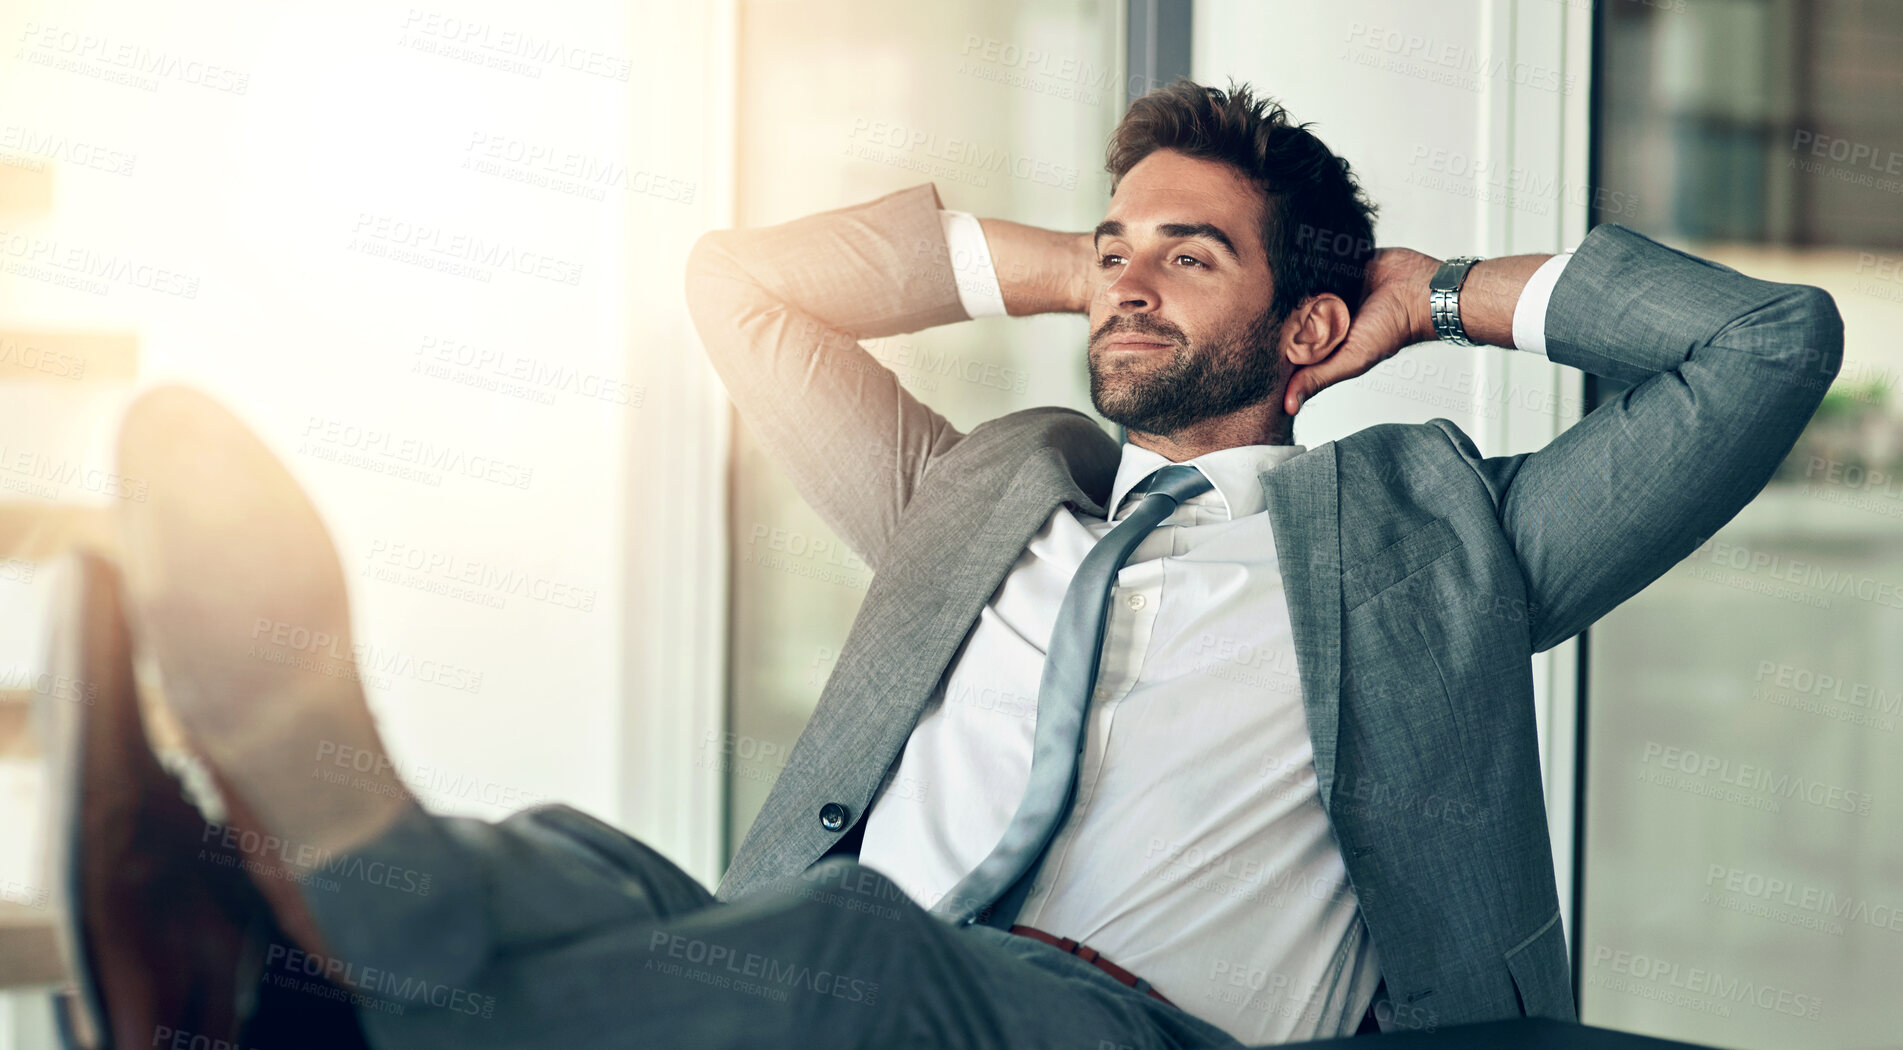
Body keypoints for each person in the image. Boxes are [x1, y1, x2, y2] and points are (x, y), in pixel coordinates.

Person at [60, 79, 1840, 1050]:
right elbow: (738, 287)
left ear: (1307, 325)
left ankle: (328, 897)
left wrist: (1438, 295)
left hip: (1108, 1029)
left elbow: (1767, 346)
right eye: (1112, 244)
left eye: (1187, 257)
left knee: (856, 956)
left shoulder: (1442, 541)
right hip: (804, 971)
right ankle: (261, 964)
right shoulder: (980, 493)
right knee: (583, 862)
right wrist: (1083, 263)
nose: (1129, 279)